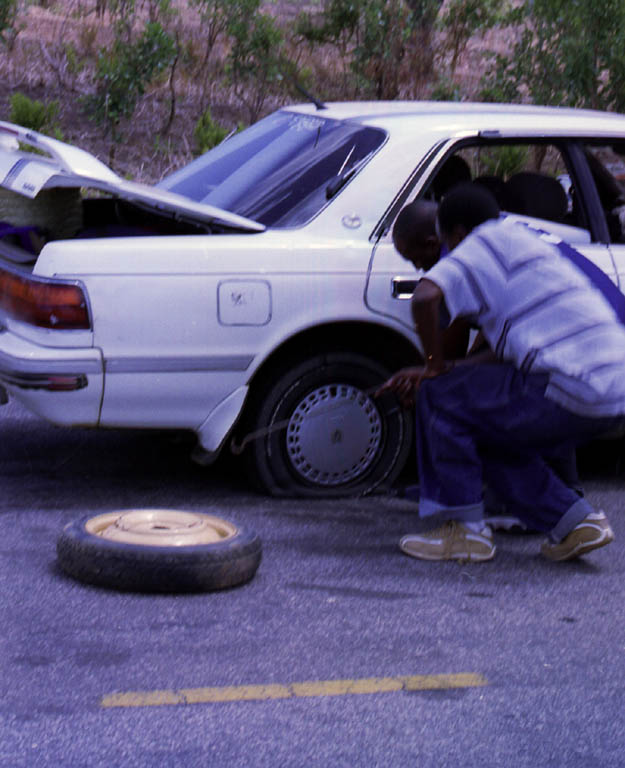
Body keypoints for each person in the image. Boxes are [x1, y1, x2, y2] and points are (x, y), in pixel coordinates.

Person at [379, 183, 625, 562]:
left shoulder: (480, 242)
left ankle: (462, 531)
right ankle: (574, 521)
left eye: (417, 257)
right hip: (609, 390)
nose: (419, 265)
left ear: (450, 236)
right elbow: (501, 353)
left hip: (572, 382)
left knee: (439, 396)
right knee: (482, 426)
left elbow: (426, 295)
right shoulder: (523, 240)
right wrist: (443, 370)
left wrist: (432, 369)